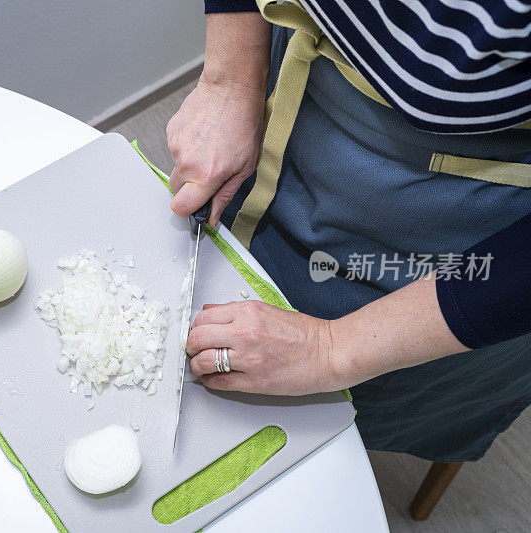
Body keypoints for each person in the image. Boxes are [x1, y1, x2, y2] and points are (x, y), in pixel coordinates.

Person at [171, 0, 531, 461]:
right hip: (292, 85)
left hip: (471, 232)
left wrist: (330, 351)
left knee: (332, 431)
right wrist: (230, 80)